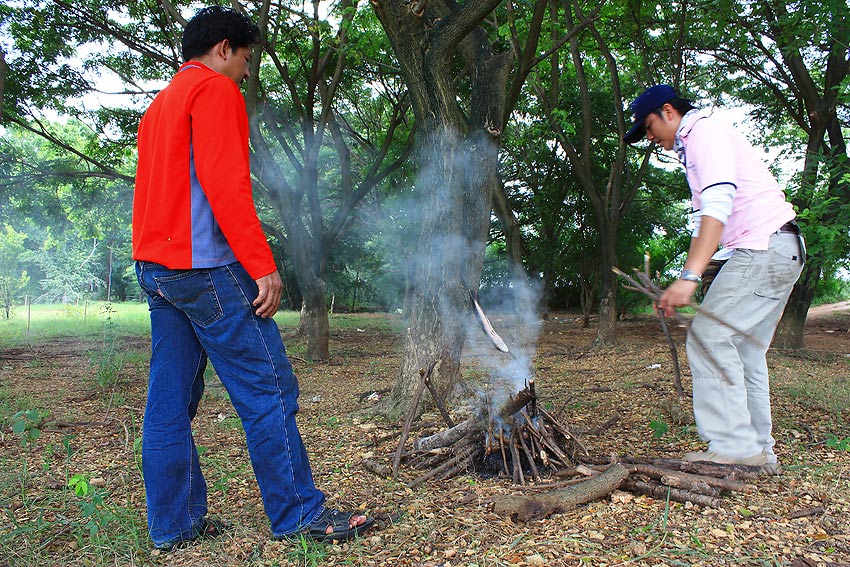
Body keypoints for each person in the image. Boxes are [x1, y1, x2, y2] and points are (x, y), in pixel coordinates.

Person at [132, 6, 373, 549]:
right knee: (268, 389)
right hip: (207, 269)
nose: (245, 71)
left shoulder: (160, 104)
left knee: (168, 402)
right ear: (223, 48)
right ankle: (300, 517)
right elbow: (226, 184)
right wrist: (262, 263)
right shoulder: (214, 92)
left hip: (158, 270)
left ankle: (174, 527)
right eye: (245, 58)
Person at [624, 84, 805, 470]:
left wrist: (689, 277)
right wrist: (692, 274)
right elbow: (703, 222)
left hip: (762, 248)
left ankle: (734, 448)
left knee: (708, 338)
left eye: (649, 127)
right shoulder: (696, 149)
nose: (650, 138)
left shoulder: (704, 133)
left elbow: (719, 206)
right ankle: (757, 450)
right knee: (744, 351)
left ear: (668, 111)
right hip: (777, 249)